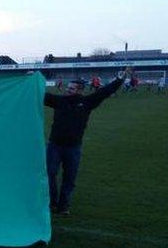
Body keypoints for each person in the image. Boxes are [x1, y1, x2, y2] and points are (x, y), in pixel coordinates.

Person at [44, 68, 129, 215]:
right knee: (50, 174)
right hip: (54, 146)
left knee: (69, 178)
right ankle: (52, 203)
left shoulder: (87, 102)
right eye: (68, 88)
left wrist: (120, 79)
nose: (67, 90)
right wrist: (27, 80)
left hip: (73, 148)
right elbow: (38, 94)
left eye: (71, 88)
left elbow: (105, 92)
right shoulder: (59, 101)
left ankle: (63, 206)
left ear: (79, 91)